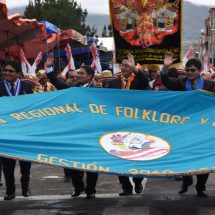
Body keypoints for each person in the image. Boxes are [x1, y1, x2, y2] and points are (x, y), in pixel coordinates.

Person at [161, 53, 215, 197]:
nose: (189, 72)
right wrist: (166, 66)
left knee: (203, 156)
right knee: (183, 154)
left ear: (200, 70)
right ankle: (186, 180)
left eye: (192, 70)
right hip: (184, 128)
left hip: (203, 128)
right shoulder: (180, 83)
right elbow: (166, 82)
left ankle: (201, 186)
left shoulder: (210, 85)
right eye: (187, 70)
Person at [45, 57, 98, 199]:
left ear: (90, 76)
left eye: (81, 73)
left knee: (92, 164)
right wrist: (49, 68)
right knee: (73, 162)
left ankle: (91, 189)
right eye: (78, 73)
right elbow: (57, 83)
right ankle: (78, 187)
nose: (77, 75)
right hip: (74, 132)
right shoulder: (72, 87)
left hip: (92, 133)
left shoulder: (98, 91)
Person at [106, 54, 149, 196]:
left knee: (137, 155)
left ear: (133, 67)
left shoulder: (139, 80)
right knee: (119, 156)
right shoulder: (113, 83)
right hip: (118, 126)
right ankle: (125, 186)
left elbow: (144, 81)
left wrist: (136, 69)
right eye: (122, 65)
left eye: (127, 65)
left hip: (136, 125)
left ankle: (138, 182)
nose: (124, 68)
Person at [1, 61, 33, 200]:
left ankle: (25, 188)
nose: (7, 73)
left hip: (25, 132)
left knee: (26, 164)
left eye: (11, 71)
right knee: (7, 165)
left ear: (18, 74)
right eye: (5, 70)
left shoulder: (27, 86)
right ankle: (10, 191)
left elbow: (34, 108)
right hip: (5, 132)